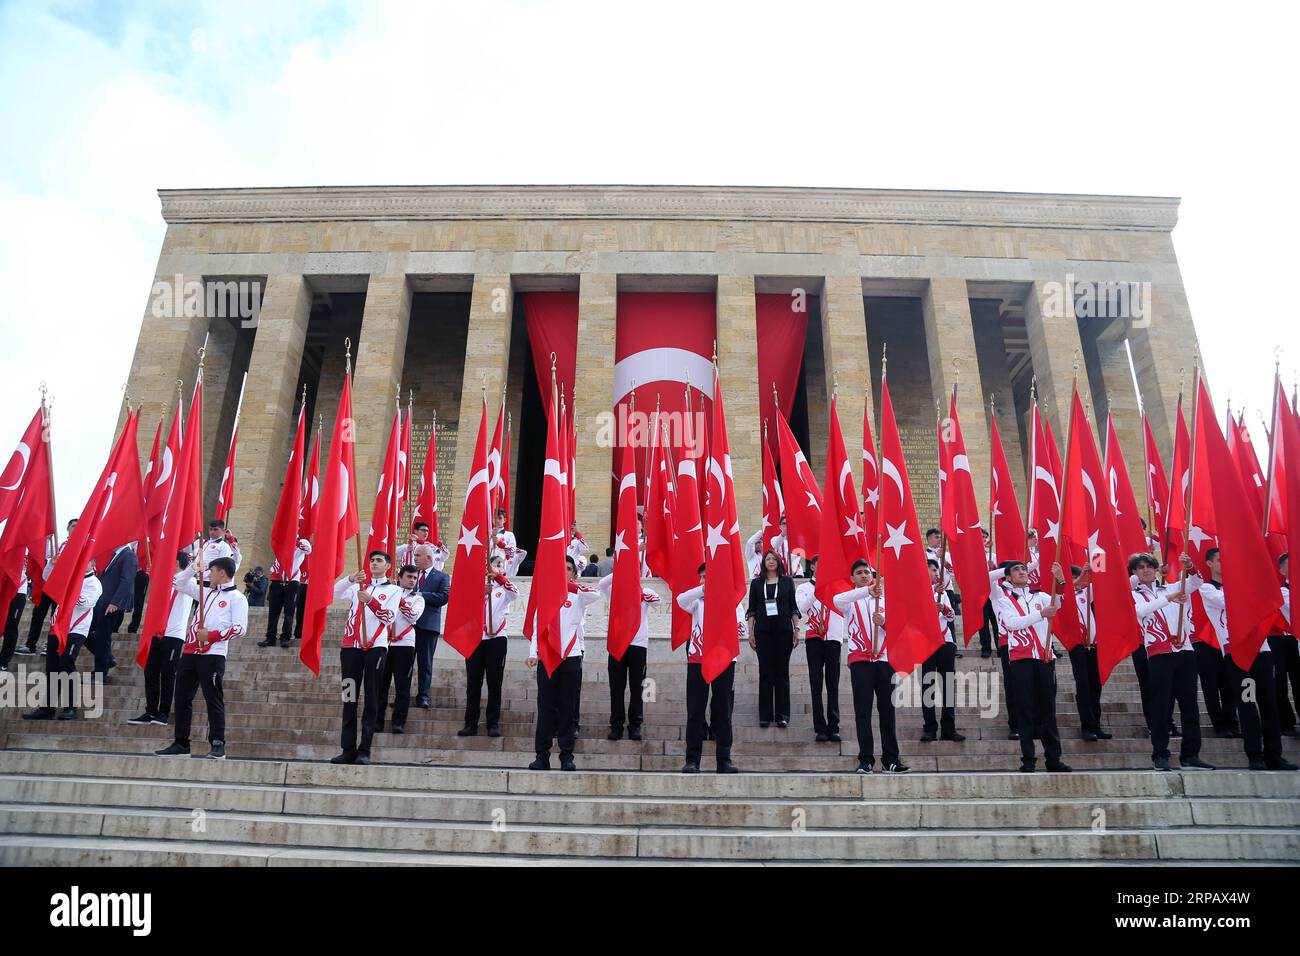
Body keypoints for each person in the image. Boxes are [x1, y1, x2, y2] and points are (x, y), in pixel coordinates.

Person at [1199, 548, 1297, 771]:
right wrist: (1248, 588)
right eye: (1220, 560)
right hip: (1239, 657)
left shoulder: (1243, 587)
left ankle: (1274, 755)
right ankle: (1255, 755)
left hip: (1261, 653)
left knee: (1269, 704)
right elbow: (1230, 603)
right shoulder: (1208, 589)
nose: (1224, 564)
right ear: (1210, 564)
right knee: (1248, 703)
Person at [154, 555, 247, 759]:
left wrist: (212, 636)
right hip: (190, 652)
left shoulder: (238, 598)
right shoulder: (205, 592)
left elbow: (240, 629)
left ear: (222, 573)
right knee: (182, 698)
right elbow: (177, 582)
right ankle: (181, 743)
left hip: (213, 655)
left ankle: (217, 743)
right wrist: (192, 568)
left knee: (213, 699)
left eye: (211, 571)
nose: (208, 574)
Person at [1130, 552, 1214, 771]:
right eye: (1140, 567)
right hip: (1159, 653)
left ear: (1156, 569)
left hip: (1185, 651)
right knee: (1160, 705)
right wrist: (1170, 597)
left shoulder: (1172, 586)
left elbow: (1197, 581)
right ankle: (1160, 753)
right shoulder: (1135, 595)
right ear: (1135, 573)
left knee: (1190, 705)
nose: (1146, 570)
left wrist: (1191, 566)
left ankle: (1191, 754)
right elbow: (1141, 611)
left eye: (1149, 566)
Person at [990, 558, 1072, 774]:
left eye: (1024, 569)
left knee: (1048, 710)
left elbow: (1059, 604)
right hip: (1020, 659)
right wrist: (1040, 614)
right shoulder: (1004, 599)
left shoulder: (1040, 596)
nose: (1022, 572)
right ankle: (1028, 758)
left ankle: (1054, 759)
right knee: (1024, 709)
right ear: (1007, 577)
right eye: (1016, 570)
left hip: (1044, 658)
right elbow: (1011, 624)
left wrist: (1061, 581)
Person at [834, 560, 909, 774]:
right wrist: (866, 591)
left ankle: (891, 759)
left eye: (867, 572)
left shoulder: (886, 601)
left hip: (885, 661)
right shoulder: (850, 601)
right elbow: (836, 599)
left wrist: (883, 621)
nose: (864, 575)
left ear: (873, 575)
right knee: (863, 712)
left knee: (887, 711)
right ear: (853, 578)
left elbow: (899, 629)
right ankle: (866, 759)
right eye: (859, 573)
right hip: (860, 661)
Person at [526, 556, 600, 770]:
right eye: (561, 569)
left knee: (568, 708)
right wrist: (533, 653)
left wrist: (567, 585)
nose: (564, 571)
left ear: (574, 574)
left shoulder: (578, 595)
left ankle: (567, 756)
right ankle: (542, 756)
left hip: (571, 656)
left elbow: (595, 594)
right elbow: (537, 627)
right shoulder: (546, 596)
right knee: (546, 708)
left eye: (568, 569)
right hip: (547, 658)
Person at [329, 551, 401, 765]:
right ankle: (347, 748)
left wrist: (371, 601)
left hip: (375, 649)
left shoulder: (394, 590)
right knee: (349, 697)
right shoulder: (357, 587)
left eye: (379, 560)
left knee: (371, 699)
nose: (374, 563)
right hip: (351, 649)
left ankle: (364, 750)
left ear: (388, 565)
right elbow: (332, 591)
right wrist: (351, 579)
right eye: (372, 560)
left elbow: (389, 617)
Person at [676, 563, 742, 773]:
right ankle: (692, 759)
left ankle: (724, 759)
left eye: (708, 577)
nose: (705, 580)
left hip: (723, 660)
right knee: (695, 710)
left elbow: (739, 629)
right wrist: (704, 589)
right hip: (698, 659)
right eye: (702, 577)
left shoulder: (733, 601)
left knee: (723, 710)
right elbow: (680, 600)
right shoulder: (696, 601)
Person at [22, 559, 101, 720]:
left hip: (75, 630)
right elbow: (47, 578)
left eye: (87, 562)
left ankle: (70, 707)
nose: (82, 564)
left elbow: (84, 603)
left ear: (93, 565)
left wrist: (72, 587)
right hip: (57, 628)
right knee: (51, 668)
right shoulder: (69, 577)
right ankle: (47, 708)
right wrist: (52, 563)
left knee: (67, 665)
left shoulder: (94, 583)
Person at [127, 551, 195, 726]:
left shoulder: (189, 582)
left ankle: (163, 712)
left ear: (178, 563)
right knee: (150, 672)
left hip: (173, 635)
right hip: (155, 633)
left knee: (167, 673)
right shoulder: (164, 581)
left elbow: (179, 582)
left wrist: (194, 566)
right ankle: (150, 710)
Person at [599, 572, 660, 741]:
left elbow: (657, 601)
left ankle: (635, 725)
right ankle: (616, 725)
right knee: (616, 688)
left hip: (638, 645)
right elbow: (602, 584)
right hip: (618, 644)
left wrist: (638, 593)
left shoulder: (645, 591)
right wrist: (620, 566)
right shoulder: (614, 590)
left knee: (637, 687)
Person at [459, 553, 515, 736]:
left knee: (494, 681)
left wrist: (498, 577)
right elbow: (463, 607)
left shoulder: (503, 589)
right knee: (473, 682)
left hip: (496, 639)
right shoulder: (475, 588)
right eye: (492, 565)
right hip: (475, 638)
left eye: (499, 565)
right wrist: (480, 593)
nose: (495, 568)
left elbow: (515, 592)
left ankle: (493, 723)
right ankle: (470, 723)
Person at [747, 549, 800, 728]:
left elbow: (793, 607)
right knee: (766, 672)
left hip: (784, 631)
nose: (770, 561)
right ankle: (765, 715)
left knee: (782, 672)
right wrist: (750, 632)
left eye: (773, 558)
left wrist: (797, 629)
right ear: (763, 563)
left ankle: (782, 715)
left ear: (779, 561)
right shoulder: (756, 583)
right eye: (767, 558)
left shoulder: (787, 582)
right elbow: (752, 610)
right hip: (762, 632)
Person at [795, 555, 843, 743]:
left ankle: (834, 726)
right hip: (814, 637)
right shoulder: (804, 588)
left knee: (833, 684)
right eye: (820, 565)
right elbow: (800, 609)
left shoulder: (838, 587)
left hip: (833, 638)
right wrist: (818, 590)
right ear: (813, 567)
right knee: (816, 684)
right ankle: (820, 727)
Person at [18, 519, 77, 657]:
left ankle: (50, 645)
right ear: (68, 528)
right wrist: (46, 539)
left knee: (55, 617)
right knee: (38, 614)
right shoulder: (60, 544)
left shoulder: (80, 546)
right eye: (73, 526)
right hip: (49, 585)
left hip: (63, 588)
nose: (76, 528)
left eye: (78, 526)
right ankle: (30, 645)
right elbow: (43, 555)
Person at [376, 564, 425, 735]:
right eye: (409, 577)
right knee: (381, 685)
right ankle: (377, 720)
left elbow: (413, 617)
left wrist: (400, 600)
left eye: (414, 578)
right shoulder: (389, 593)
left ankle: (399, 721)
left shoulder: (418, 598)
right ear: (400, 577)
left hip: (405, 644)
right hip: (384, 643)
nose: (412, 580)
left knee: (402, 686)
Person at [1064, 564, 1110, 741]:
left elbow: (1101, 579)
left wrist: (1097, 559)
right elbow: (1063, 594)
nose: (1077, 582)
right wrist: (1077, 579)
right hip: (1076, 645)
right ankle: (1087, 726)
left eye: (1078, 578)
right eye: (1073, 578)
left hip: (1094, 644)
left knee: (1095, 684)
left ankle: (1096, 724)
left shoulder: (1085, 594)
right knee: (1083, 684)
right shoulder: (1062, 596)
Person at [920, 558, 963, 743]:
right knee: (928, 685)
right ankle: (929, 727)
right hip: (926, 643)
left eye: (936, 570)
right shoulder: (917, 592)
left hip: (946, 641)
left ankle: (949, 728)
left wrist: (943, 606)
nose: (935, 573)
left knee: (947, 686)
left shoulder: (943, 593)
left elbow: (952, 616)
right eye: (931, 569)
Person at [86, 542, 138, 683]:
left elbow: (126, 581)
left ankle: (100, 673)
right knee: (87, 633)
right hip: (101, 603)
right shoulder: (116, 555)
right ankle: (107, 658)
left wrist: (115, 602)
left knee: (102, 637)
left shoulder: (129, 556)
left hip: (111, 605)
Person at [410, 543, 450, 709]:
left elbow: (444, 597)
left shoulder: (441, 577)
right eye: (415, 555)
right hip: (408, 626)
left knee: (425, 663)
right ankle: (403, 695)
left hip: (428, 626)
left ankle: (423, 696)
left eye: (418, 555)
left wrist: (421, 595)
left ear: (428, 557)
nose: (415, 558)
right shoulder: (410, 575)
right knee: (405, 663)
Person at [259, 536, 311, 648]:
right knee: (273, 612)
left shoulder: (302, 541)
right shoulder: (281, 539)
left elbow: (308, 550)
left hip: (291, 581)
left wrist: (295, 542)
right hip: (277, 580)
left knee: (289, 612)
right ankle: (270, 637)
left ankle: (285, 637)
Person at [1271, 553, 1300, 738]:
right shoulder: (1283, 591)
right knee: (1279, 681)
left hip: (1295, 641)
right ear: (1282, 570)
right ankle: (1286, 721)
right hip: (1280, 639)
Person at [0, 553, 29, 670]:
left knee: (10, 626)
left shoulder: (28, 551)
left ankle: (4, 661)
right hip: (4, 589)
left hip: (18, 592)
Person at [490, 509, 527, 575]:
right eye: (495, 518)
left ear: (504, 520)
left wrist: (500, 543)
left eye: (500, 518)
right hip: (489, 572)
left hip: (504, 570)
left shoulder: (509, 535)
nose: (497, 520)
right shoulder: (487, 535)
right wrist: (491, 536)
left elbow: (512, 552)